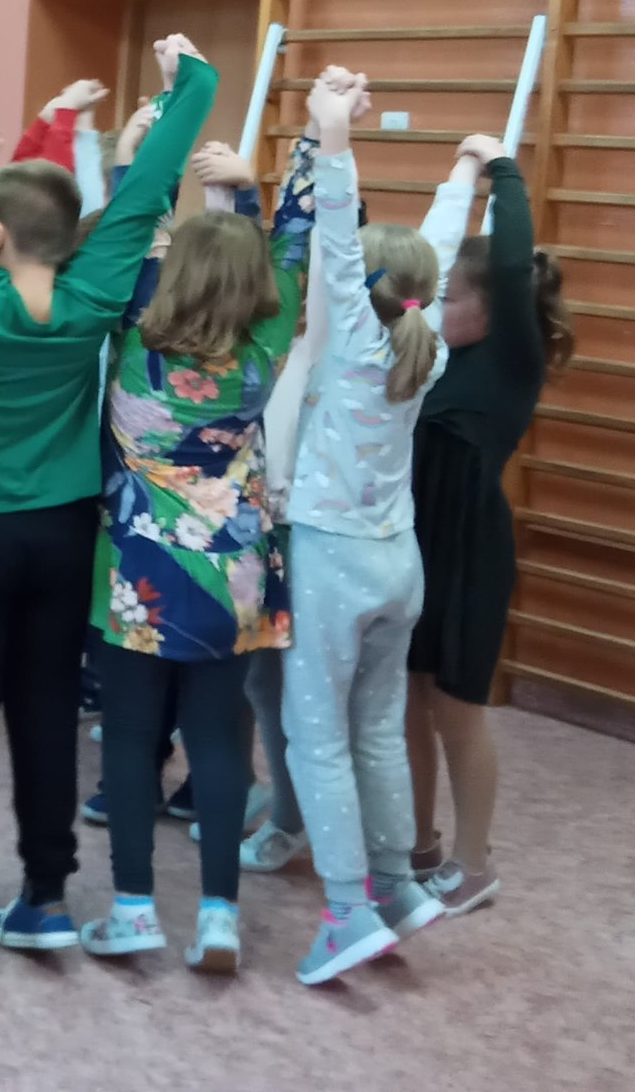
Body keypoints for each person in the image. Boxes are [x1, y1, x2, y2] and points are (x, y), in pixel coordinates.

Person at [0, 34, 216, 966]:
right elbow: (146, 194)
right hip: (63, 532)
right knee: (44, 709)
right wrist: (192, 84)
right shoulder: (91, 295)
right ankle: (45, 896)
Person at [78, 79, 314, 975]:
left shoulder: (137, 338)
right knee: (221, 742)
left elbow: (133, 229)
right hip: (237, 574)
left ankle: (134, 908)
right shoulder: (265, 347)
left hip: (138, 572)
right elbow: (294, 246)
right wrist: (263, 182)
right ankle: (218, 916)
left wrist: (137, 156)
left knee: (131, 737)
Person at [279, 74, 486, 982]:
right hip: (399, 564)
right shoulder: (423, 341)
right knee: (373, 729)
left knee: (318, 736)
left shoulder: (363, 344)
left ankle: (347, 912)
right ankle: (397, 884)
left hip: (334, 561)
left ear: (360, 290)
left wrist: (334, 136)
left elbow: (337, 237)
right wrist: (463, 175)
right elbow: (426, 252)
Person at [406, 143, 574, 915]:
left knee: (455, 708)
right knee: (406, 701)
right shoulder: (438, 358)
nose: (435, 307)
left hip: (469, 550)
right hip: (416, 542)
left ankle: (473, 866)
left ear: (493, 308)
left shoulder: (512, 358)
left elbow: (508, 264)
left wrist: (500, 170)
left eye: (449, 296)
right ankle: (418, 842)